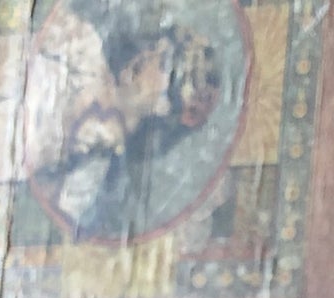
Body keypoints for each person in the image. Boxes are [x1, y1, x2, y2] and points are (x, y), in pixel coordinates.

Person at [25, 3, 225, 242]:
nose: (147, 56)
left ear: (164, 109)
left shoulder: (91, 177)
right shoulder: (84, 42)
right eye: (156, 48)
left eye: (163, 66)